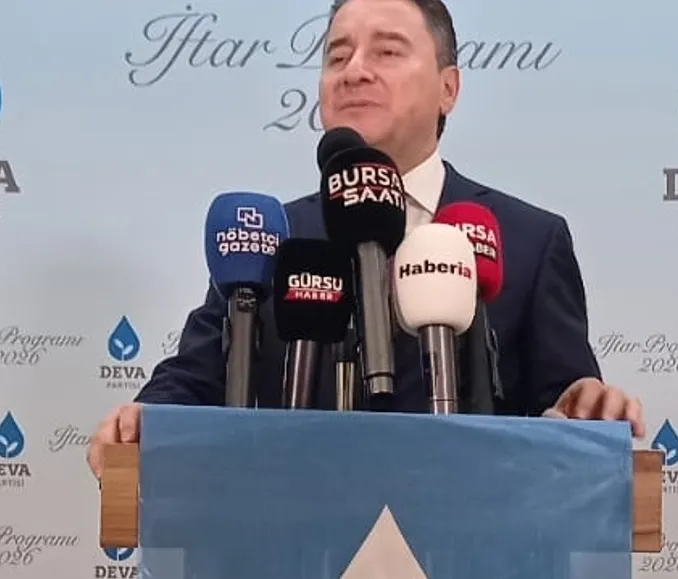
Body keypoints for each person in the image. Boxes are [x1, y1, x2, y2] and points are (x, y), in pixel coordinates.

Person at [87, 0, 644, 482]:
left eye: (387, 51)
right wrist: (144, 419)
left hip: (471, 552)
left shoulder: (530, 239)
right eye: (337, 56)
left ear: (448, 88)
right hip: (289, 545)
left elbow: (567, 410)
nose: (354, 71)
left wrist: (581, 409)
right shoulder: (271, 238)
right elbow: (193, 381)